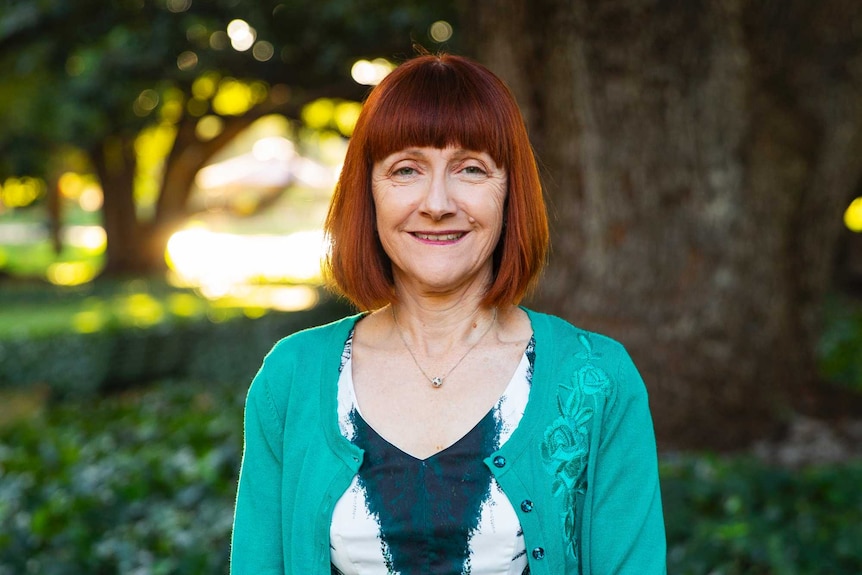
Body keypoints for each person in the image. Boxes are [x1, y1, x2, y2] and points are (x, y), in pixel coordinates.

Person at [230, 53, 666, 575]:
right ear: (368, 192)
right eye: (406, 169)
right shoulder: (291, 377)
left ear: (510, 192)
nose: (437, 202)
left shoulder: (597, 380)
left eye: (471, 169)